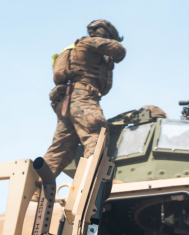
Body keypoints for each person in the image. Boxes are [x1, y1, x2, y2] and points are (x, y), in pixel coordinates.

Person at [44, 20, 127, 178]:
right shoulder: (88, 42)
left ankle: (36, 190)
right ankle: (91, 180)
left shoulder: (75, 48)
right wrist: (111, 50)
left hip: (66, 102)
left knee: (61, 150)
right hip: (82, 97)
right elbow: (119, 51)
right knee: (97, 133)